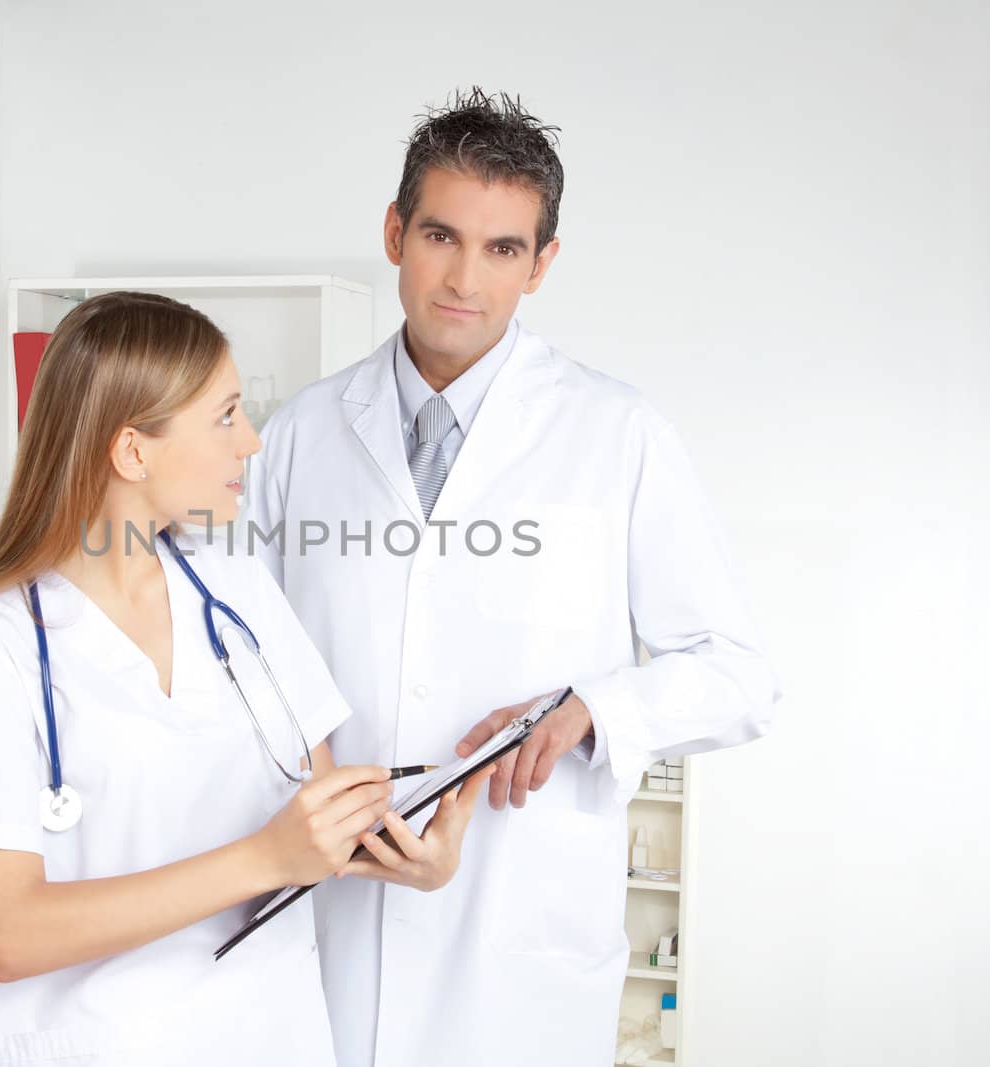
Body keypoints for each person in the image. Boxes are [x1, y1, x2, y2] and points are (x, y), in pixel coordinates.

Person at [246, 89, 780, 1066]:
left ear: (542, 263)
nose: (462, 277)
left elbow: (739, 673)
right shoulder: (299, 435)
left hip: (514, 943)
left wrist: (590, 708)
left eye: (501, 249)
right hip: (322, 927)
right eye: (441, 235)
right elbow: (242, 665)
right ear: (395, 232)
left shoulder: (617, 434)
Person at [0, 292, 469, 1066]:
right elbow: (14, 933)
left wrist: (407, 856)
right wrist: (265, 858)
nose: (252, 444)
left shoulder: (241, 592)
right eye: (226, 416)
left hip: (276, 1035)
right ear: (132, 452)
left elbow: (317, 819)